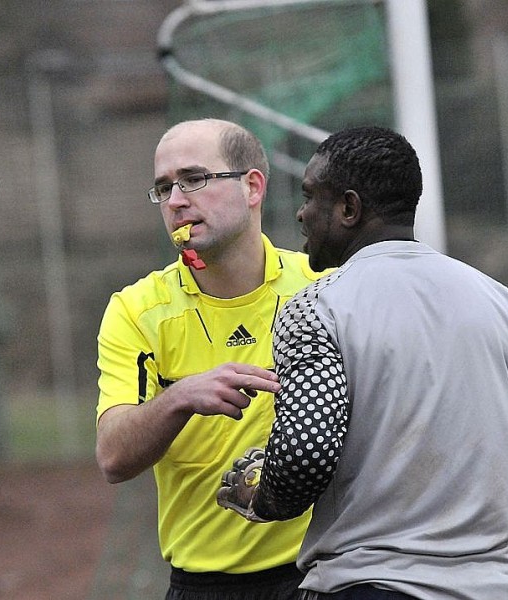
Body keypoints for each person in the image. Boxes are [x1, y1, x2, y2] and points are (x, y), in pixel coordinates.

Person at [217, 126, 508, 599]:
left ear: (349, 209)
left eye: (309, 197)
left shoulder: (316, 309)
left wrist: (261, 496)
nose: (302, 214)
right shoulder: (506, 306)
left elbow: (305, 453)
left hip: (369, 587)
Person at [95, 118, 327, 599]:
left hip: (324, 575)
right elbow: (113, 456)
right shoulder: (137, 311)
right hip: (202, 586)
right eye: (164, 188)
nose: (177, 200)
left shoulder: (325, 287)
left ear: (253, 187)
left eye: (195, 179)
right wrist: (179, 397)